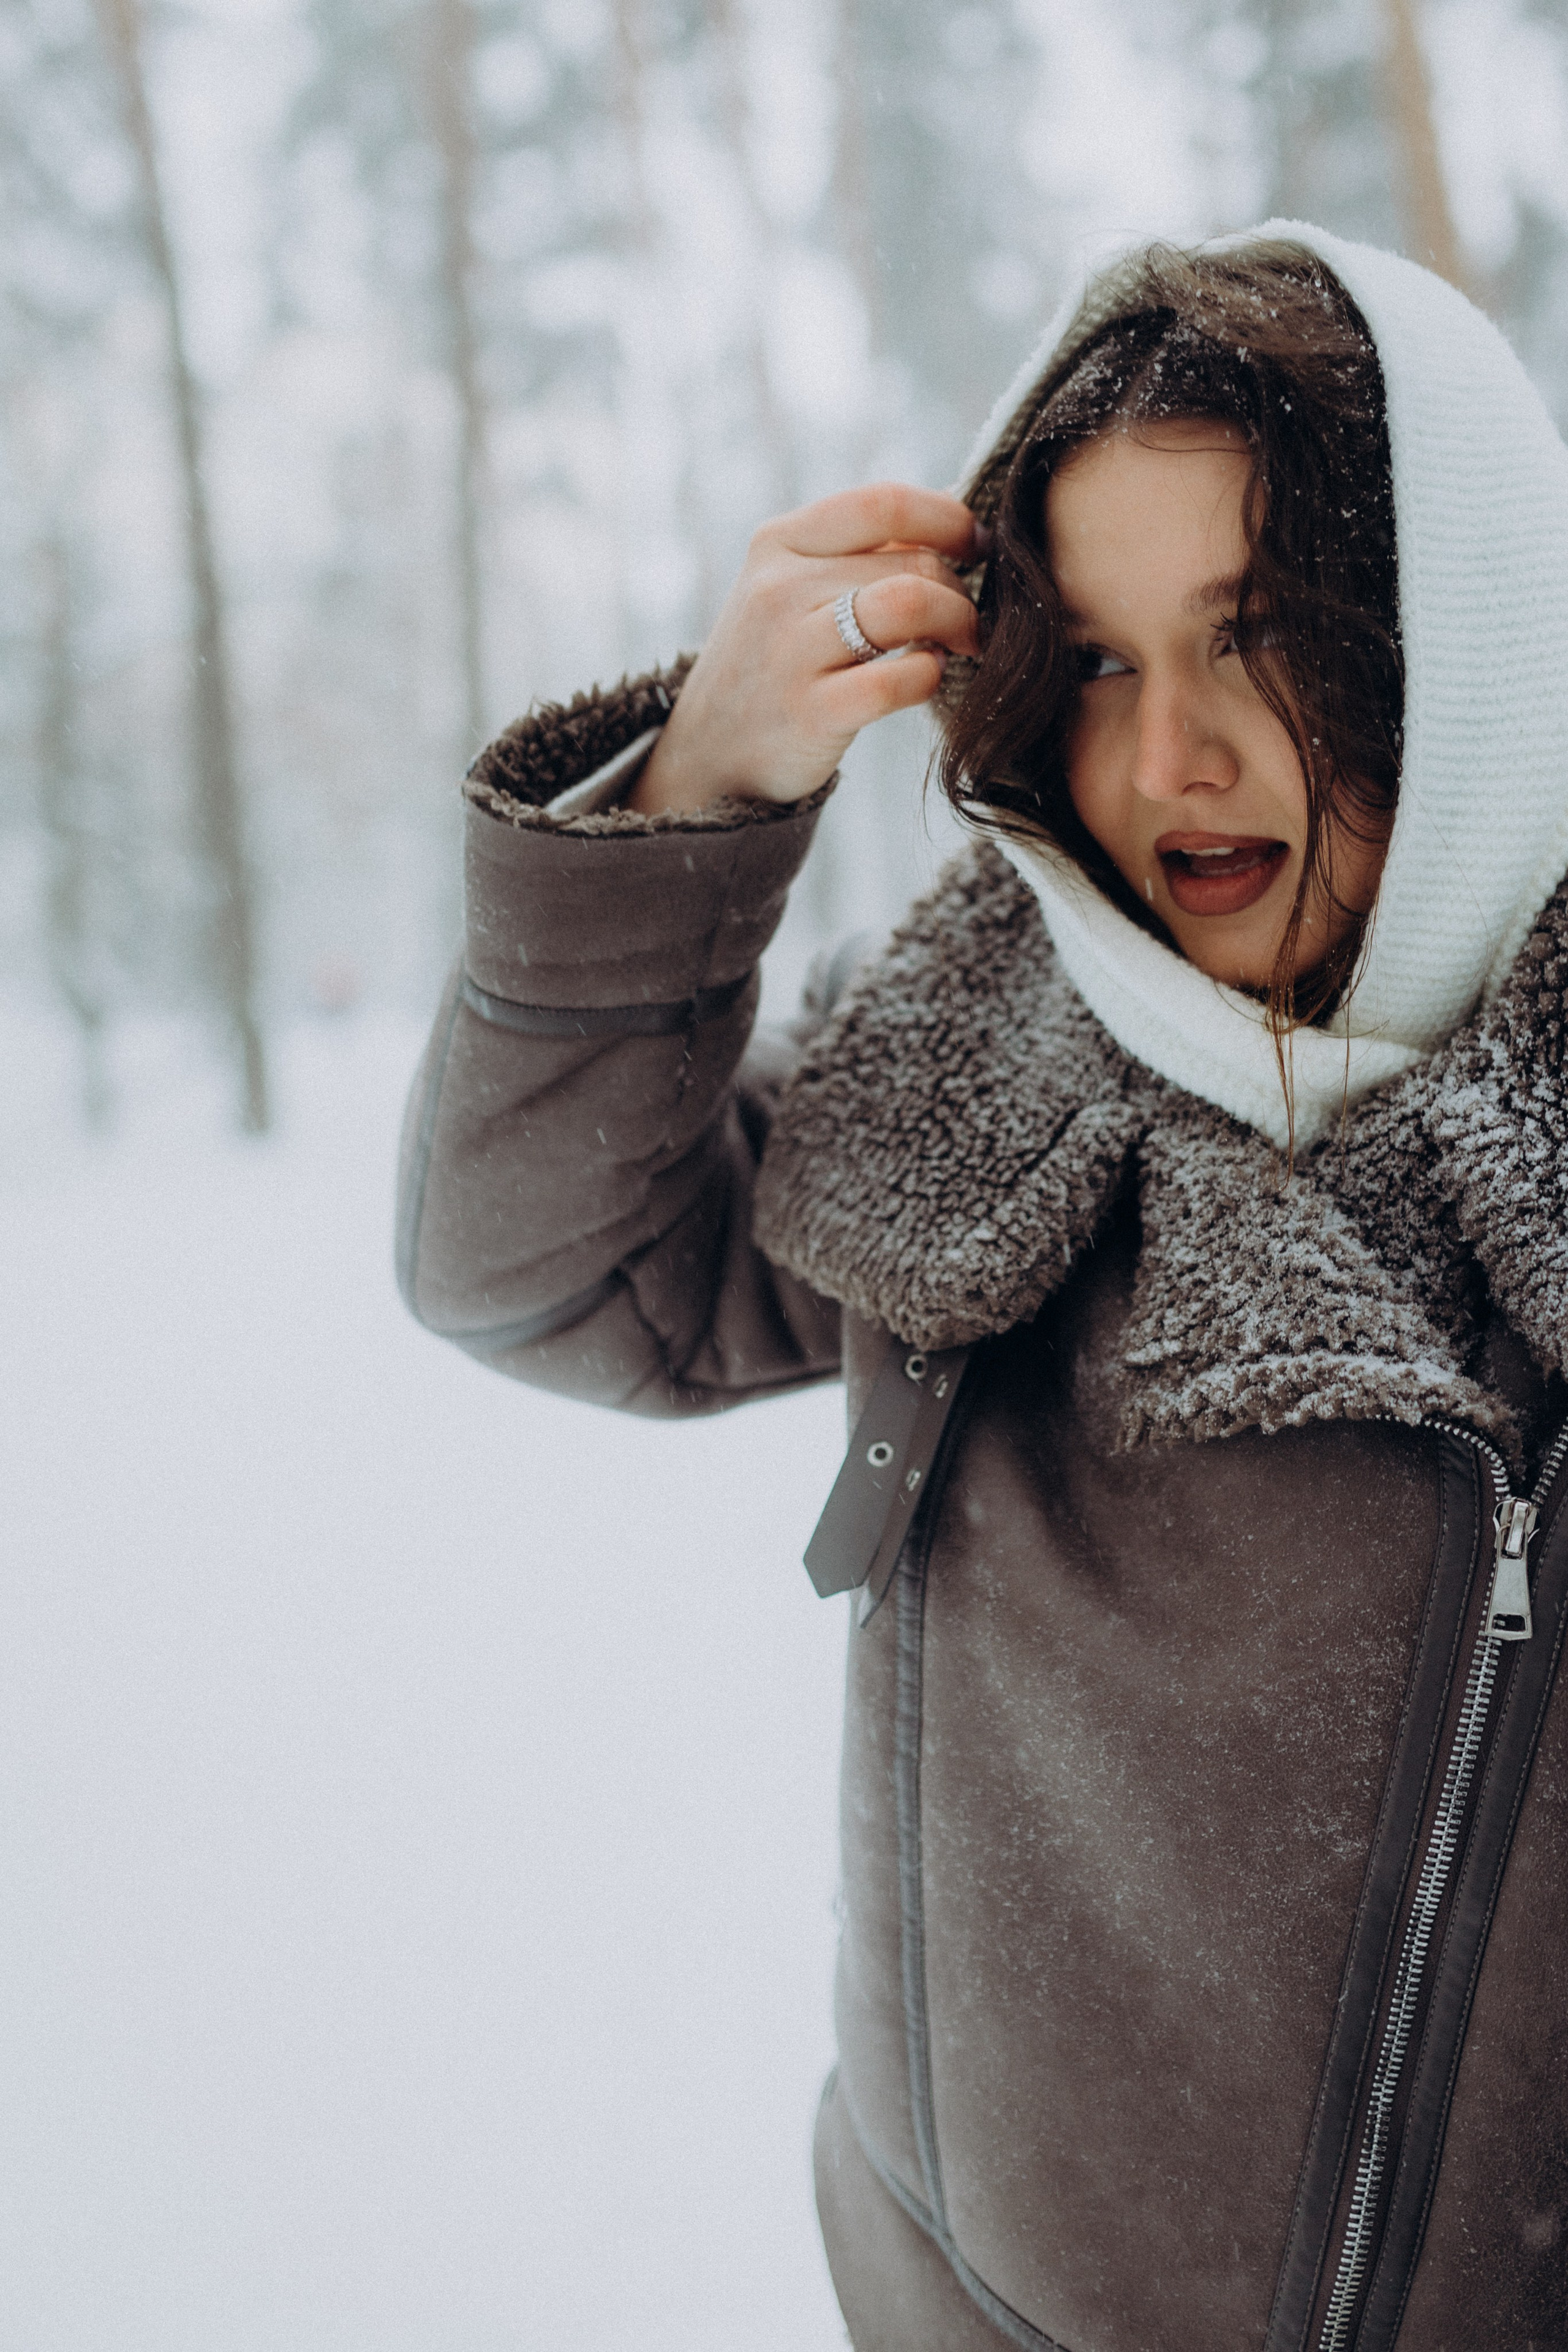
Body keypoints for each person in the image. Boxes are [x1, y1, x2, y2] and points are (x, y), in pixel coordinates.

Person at [396, 223, 1568, 2351]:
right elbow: (541, 1277)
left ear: (1470, 642)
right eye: (1099, 657)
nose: (1167, 765)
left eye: (1264, 639)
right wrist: (700, 798)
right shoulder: (980, 1056)